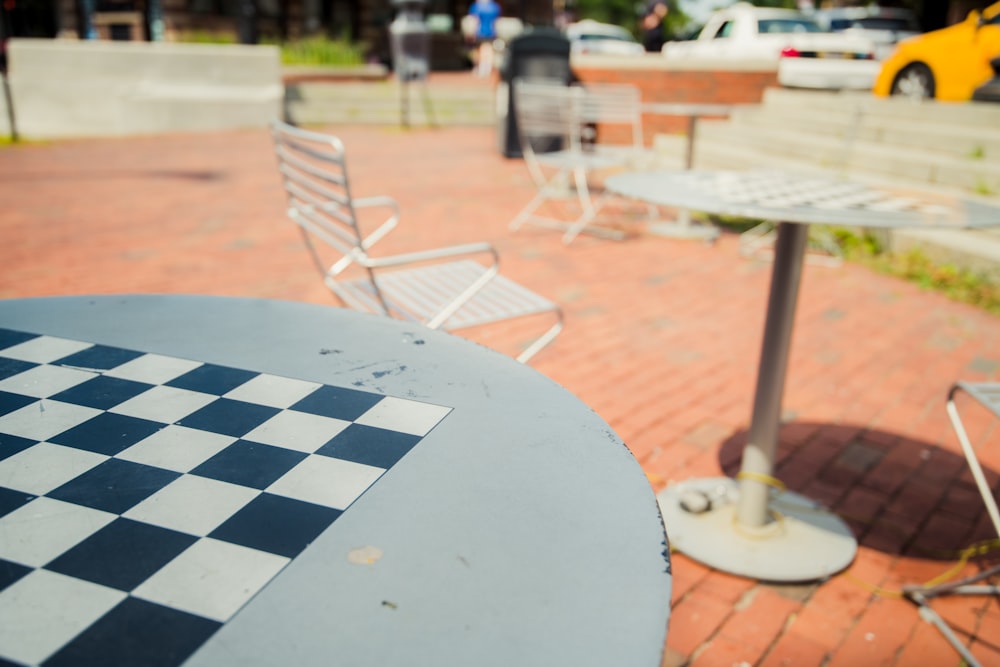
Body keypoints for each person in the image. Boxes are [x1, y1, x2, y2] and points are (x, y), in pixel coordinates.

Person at [467, 0, 501, 76]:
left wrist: (471, 32)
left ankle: (481, 67)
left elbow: (473, 20)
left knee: (480, 49)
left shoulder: (477, 6)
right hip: (492, 31)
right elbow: (497, 20)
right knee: (488, 49)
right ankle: (487, 67)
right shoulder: (494, 6)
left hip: (479, 32)